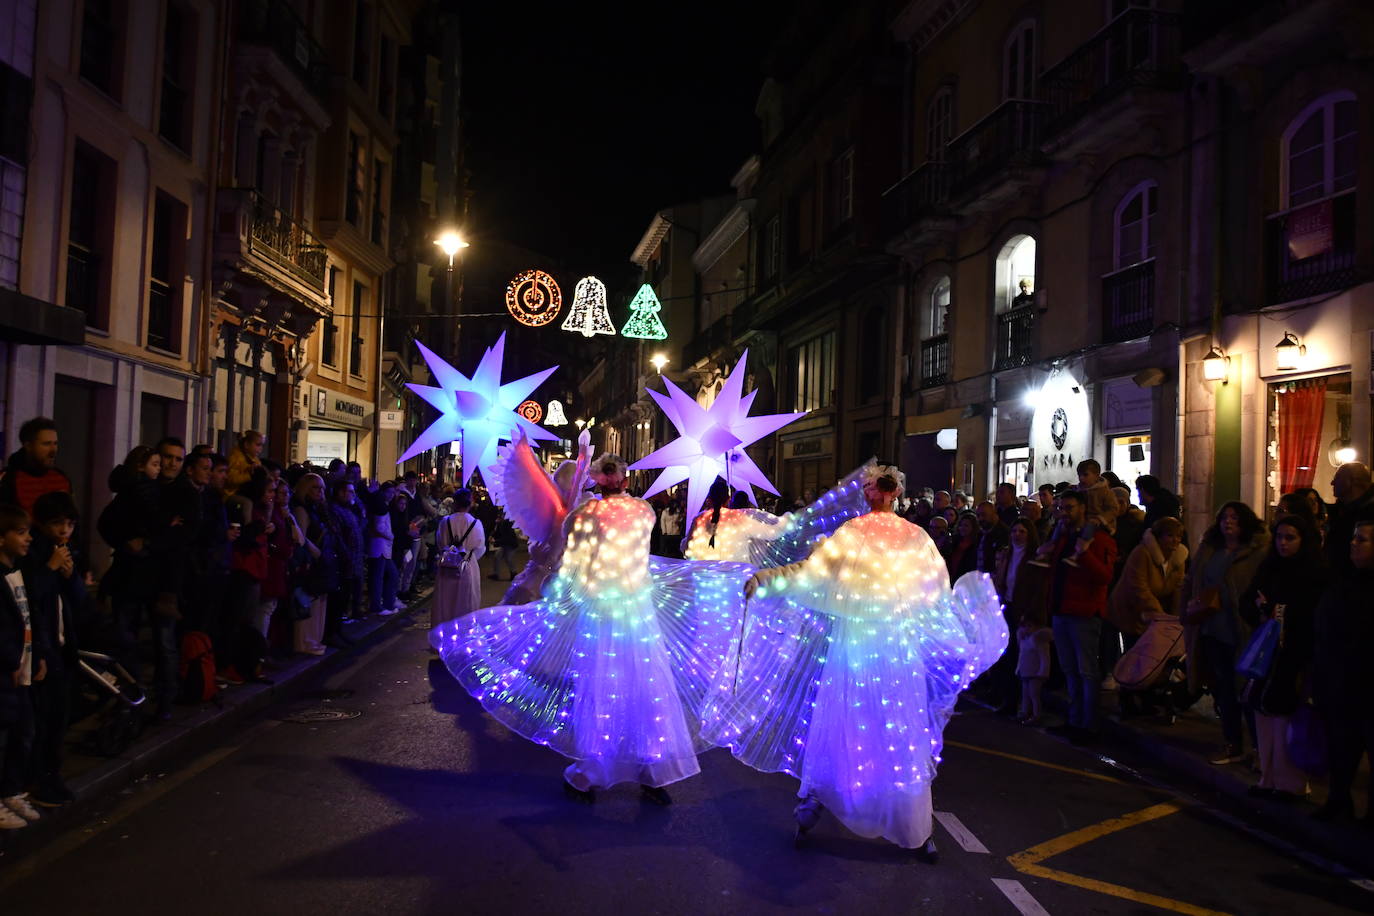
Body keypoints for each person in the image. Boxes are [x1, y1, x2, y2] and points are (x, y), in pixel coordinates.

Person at [704, 464, 1004, 860]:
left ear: (889, 491)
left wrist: (769, 579)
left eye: (876, 487)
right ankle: (856, 813)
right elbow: (814, 570)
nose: (872, 493)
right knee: (869, 726)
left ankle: (899, 822)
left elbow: (931, 593)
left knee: (866, 725)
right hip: (877, 648)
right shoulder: (887, 535)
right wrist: (767, 579)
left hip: (879, 648)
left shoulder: (906, 537)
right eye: (870, 487)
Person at [431, 454, 753, 807]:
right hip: (638, 614)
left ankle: (591, 773)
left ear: (595, 481)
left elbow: (574, 571)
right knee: (646, 689)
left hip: (599, 615)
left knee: (601, 692)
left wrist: (557, 593)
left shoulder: (582, 517)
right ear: (625, 481)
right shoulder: (644, 512)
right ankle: (652, 772)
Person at [1238, 514, 1324, 801]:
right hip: (1268, 653)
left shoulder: (1314, 572)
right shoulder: (1270, 567)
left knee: (1286, 717)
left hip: (1295, 655)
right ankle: (1268, 777)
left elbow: (1314, 616)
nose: (1283, 543)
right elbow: (1249, 600)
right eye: (1279, 537)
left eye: (1291, 538)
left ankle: (1290, 783)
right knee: (1264, 713)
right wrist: (1260, 610)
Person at [1178, 501, 1268, 765]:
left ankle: (1260, 750)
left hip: (1243, 630)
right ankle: (1232, 743)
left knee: (1249, 691)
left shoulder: (1257, 552)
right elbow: (1192, 580)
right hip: (1211, 626)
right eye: (1224, 517)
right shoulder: (1210, 548)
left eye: (1235, 518)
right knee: (1223, 688)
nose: (1228, 522)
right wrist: (1186, 610)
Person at [1309, 516, 1374, 822]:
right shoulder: (1343, 580)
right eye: (1354, 537)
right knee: (1341, 749)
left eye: (1362, 539)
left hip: (1365, 682)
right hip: (1340, 680)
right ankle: (1338, 801)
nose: (1354, 543)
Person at [22, 492, 84, 806]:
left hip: (62, 645)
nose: (64, 530)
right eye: (58, 523)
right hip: (42, 648)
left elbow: (76, 602)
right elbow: (30, 598)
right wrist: (50, 567)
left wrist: (71, 577)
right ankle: (39, 779)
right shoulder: (33, 553)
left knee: (59, 718)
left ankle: (52, 776)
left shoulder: (66, 551)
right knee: (43, 720)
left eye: (69, 524)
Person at [1043, 489, 1118, 743]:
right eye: (1062, 508)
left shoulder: (1098, 539)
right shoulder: (1063, 537)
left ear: (1083, 508)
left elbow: (1105, 577)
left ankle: (1089, 725)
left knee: (1086, 670)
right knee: (1070, 669)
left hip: (1084, 613)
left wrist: (1084, 554)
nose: (1065, 513)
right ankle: (1075, 720)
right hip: (1062, 610)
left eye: (1070, 508)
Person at [0, 504, 44, 829]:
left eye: (28, 531)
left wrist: (36, 655)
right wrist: (9, 659)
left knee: (22, 732)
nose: (28, 538)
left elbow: (29, 619)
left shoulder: (19, 572)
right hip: (6, 670)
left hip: (22, 667)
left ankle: (11, 791)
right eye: (20, 532)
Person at [291, 474, 338, 656]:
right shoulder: (302, 510)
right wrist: (315, 552)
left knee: (319, 602)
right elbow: (302, 538)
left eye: (322, 489)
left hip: (322, 559)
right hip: (311, 560)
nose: (320, 492)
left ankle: (314, 639)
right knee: (308, 602)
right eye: (315, 488)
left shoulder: (317, 508)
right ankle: (305, 641)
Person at [432, 488, 485, 628]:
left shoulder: (445, 522)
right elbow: (480, 547)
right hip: (468, 564)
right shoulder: (475, 523)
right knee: (466, 603)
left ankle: (445, 639)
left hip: (447, 565)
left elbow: (440, 543)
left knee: (445, 603)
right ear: (470, 503)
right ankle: (464, 639)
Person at [0, 418, 71, 514]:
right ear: (28, 446)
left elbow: (72, 518)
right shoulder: (7, 479)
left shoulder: (61, 478)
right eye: (46, 444)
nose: (53, 450)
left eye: (55, 443)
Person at [326, 480, 363, 646]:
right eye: (350, 492)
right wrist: (346, 554)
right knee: (337, 600)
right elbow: (338, 536)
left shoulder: (349, 510)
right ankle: (331, 632)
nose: (352, 495)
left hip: (352, 562)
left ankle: (338, 631)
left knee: (343, 599)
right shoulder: (335, 511)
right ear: (340, 493)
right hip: (342, 562)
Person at [1326, 463, 1373, 573]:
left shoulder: (1369, 512)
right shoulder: (1339, 510)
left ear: (1353, 481)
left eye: (1337, 478)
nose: (1332, 483)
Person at [366, 484, 401, 617]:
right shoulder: (381, 507)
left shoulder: (384, 506)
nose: (392, 495)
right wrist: (391, 536)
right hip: (380, 546)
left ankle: (387, 603)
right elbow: (380, 528)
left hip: (382, 547)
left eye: (393, 492)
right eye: (389, 492)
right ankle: (378, 605)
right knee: (380, 577)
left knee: (389, 575)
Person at [942, 511, 979, 581]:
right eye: (961, 525)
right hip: (952, 577)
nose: (962, 528)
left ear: (973, 527)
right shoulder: (954, 541)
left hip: (967, 580)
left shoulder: (976, 545)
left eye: (966, 526)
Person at [226, 430, 265, 495]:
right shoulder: (236, 457)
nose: (261, 448)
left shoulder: (255, 459)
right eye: (258, 445)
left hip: (246, 491)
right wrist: (249, 475)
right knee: (247, 503)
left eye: (262, 445)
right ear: (246, 445)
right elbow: (231, 478)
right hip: (232, 493)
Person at [487, 512, 518, 581]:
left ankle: (514, 573)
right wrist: (492, 536)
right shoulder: (501, 523)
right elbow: (497, 532)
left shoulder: (507, 523)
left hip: (510, 544)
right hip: (505, 544)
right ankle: (496, 574)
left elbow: (507, 538)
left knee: (508, 558)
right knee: (497, 556)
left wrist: (495, 541)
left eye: (501, 515)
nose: (499, 517)